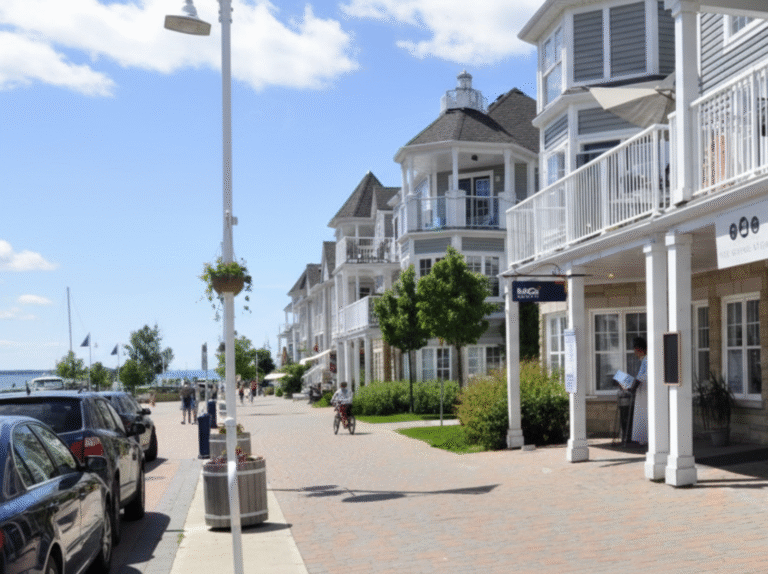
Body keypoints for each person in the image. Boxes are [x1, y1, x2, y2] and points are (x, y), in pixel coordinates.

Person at [631, 337, 648, 445]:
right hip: (643, 391)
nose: (635, 354)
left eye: (636, 351)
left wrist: (632, 387)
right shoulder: (645, 360)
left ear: (639, 349)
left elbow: (641, 377)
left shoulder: (646, 360)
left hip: (645, 391)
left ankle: (644, 438)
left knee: (643, 414)